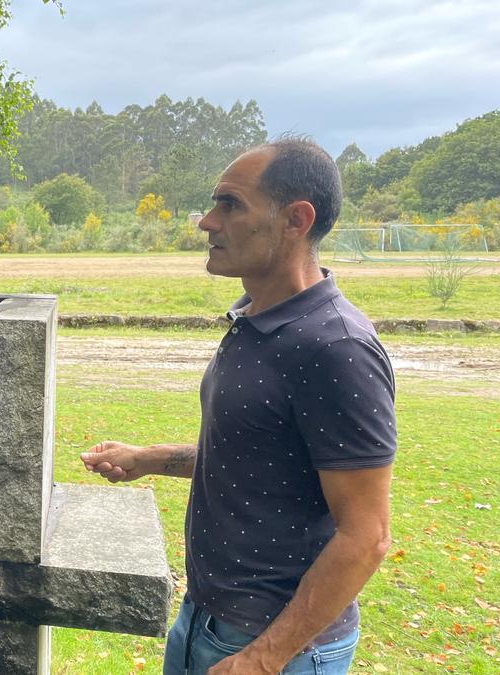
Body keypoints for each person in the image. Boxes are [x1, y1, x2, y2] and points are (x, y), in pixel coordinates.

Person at [81, 137, 396, 674]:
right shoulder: (254, 319)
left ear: (296, 219)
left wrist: (263, 658)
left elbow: (366, 536)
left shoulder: (334, 347)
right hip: (202, 621)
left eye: (231, 204)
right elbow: (258, 456)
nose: (207, 221)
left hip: (277, 648)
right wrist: (148, 459)